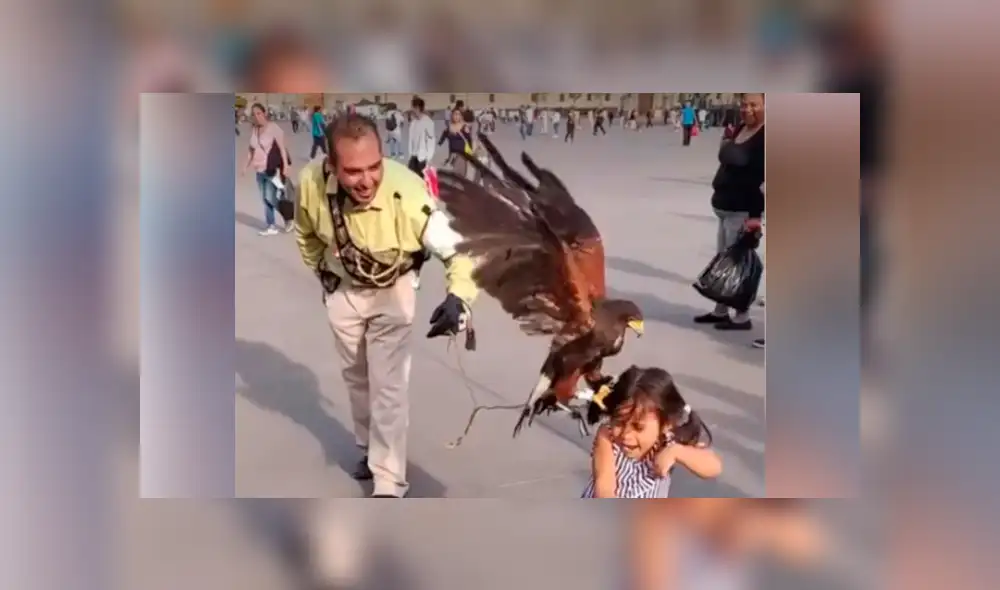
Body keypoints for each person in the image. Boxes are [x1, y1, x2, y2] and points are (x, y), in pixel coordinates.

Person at [293, 113, 479, 498]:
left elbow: (458, 250)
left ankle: (388, 480)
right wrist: (323, 276)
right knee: (357, 378)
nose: (367, 180)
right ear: (331, 166)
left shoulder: (407, 192)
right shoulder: (311, 184)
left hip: (392, 294)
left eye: (375, 166)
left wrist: (457, 297)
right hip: (343, 291)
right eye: (354, 171)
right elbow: (305, 232)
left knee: (388, 387)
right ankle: (368, 447)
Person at [583, 366, 722, 498]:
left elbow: (714, 467)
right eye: (619, 423)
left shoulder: (668, 441)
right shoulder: (607, 436)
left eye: (638, 427)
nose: (626, 435)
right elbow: (604, 486)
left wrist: (677, 452)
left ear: (666, 424)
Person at [694, 93, 765, 331]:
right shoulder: (740, 129)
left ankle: (742, 316)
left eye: (754, 104)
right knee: (723, 261)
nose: (747, 109)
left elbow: (762, 179)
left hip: (743, 209)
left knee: (737, 263)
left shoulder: (766, 136)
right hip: (725, 208)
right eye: (744, 104)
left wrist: (755, 217)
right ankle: (721, 310)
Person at [242, 102, 292, 236]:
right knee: (265, 199)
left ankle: (288, 217)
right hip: (258, 170)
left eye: (259, 113)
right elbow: (251, 149)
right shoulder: (254, 130)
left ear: (264, 113)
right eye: (254, 114)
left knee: (270, 197)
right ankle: (271, 225)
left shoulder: (274, 128)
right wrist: (245, 166)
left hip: (270, 169)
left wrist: (285, 166)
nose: (257, 116)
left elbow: (282, 149)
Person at [438, 108, 474, 180]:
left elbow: (469, 140)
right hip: (452, 156)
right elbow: (444, 135)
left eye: (458, 114)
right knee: (453, 177)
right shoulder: (449, 127)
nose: (456, 116)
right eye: (455, 114)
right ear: (452, 116)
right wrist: (440, 143)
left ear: (461, 116)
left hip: (462, 156)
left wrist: (470, 151)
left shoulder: (464, 127)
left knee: (460, 177)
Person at [406, 96, 436, 176]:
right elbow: (411, 140)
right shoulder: (413, 123)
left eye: (413, 107)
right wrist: (410, 154)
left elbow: (431, 141)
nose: (411, 109)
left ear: (417, 108)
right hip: (413, 156)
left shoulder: (428, 122)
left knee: (423, 181)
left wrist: (429, 158)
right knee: (411, 178)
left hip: (422, 158)